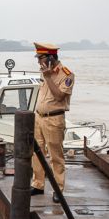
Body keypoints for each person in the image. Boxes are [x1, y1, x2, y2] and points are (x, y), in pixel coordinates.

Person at [30, 42, 74, 195]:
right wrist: (46, 75)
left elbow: (59, 96)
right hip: (39, 117)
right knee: (37, 153)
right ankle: (38, 184)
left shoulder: (66, 74)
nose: (38, 61)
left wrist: (48, 77)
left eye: (40, 58)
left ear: (50, 58)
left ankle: (58, 189)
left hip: (54, 119)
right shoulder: (43, 71)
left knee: (56, 156)